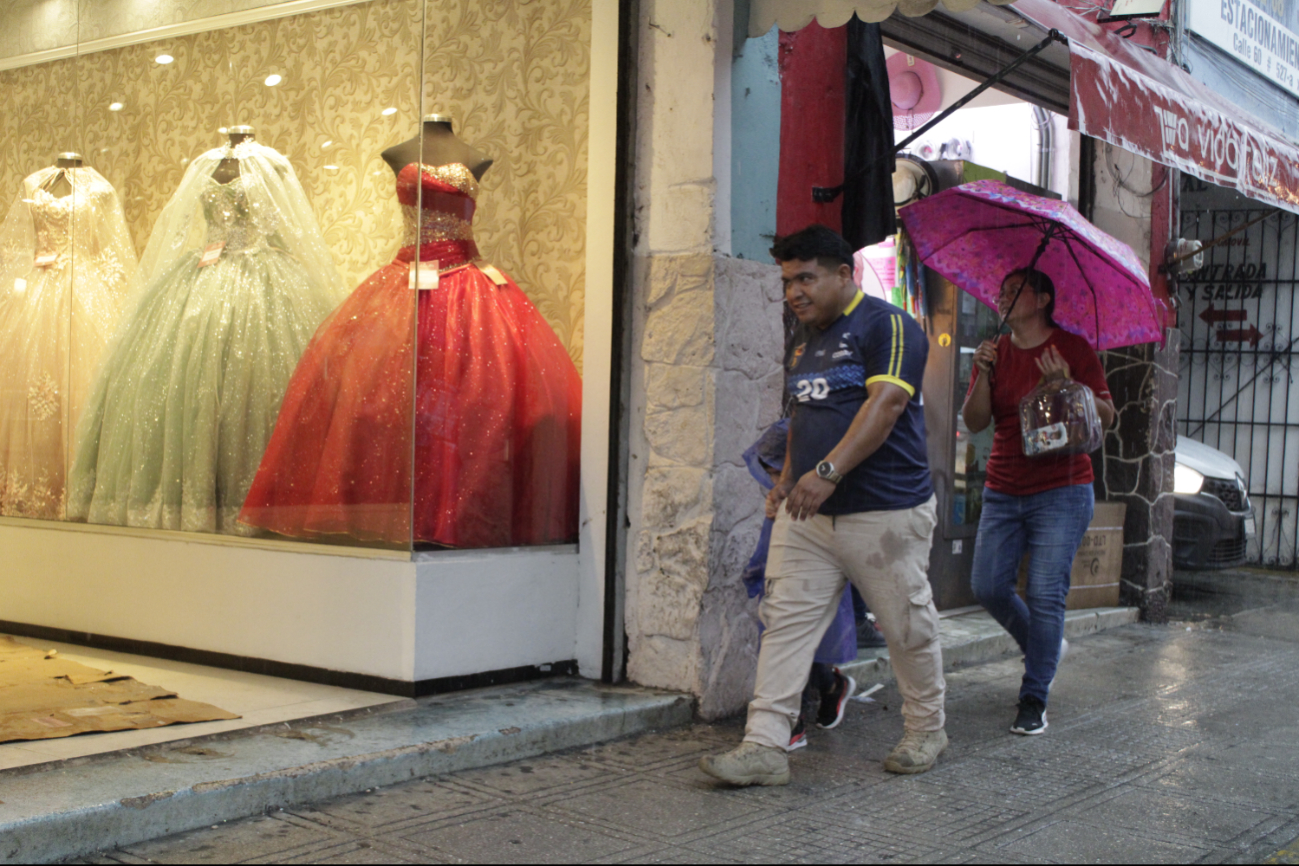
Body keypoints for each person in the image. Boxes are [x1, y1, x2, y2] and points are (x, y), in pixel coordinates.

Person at [701, 225, 944, 788]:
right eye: (788, 280)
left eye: (806, 277)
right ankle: (764, 746)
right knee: (783, 622)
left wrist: (827, 473)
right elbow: (803, 416)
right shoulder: (806, 338)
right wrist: (786, 480)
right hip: (808, 513)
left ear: (844, 274)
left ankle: (927, 729)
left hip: (883, 512)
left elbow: (884, 406)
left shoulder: (889, 326)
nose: (794, 291)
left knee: (907, 624)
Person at [961, 268, 1116, 736]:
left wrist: (1070, 385)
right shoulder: (996, 352)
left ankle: (1034, 696)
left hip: (1062, 490)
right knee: (987, 585)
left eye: (1015, 290)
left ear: (1044, 298)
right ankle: (1045, 645)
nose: (1003, 296)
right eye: (1001, 289)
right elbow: (974, 421)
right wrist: (982, 375)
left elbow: (1106, 418)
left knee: (1046, 593)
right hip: (1004, 487)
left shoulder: (1072, 349)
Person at [742, 420, 858, 752]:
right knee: (787, 633)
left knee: (806, 633)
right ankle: (801, 710)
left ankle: (796, 717)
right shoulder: (781, 499)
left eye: (779, 474)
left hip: (817, 557)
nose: (775, 483)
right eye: (771, 476)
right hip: (785, 571)